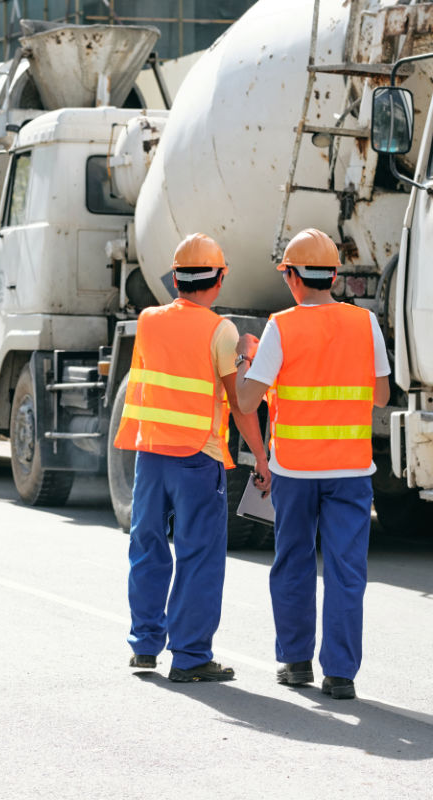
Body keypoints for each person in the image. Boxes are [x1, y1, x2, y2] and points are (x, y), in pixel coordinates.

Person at [235, 228, 390, 700]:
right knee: (347, 570)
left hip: (295, 471)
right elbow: (382, 396)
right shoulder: (365, 324)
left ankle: (296, 663)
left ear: (292, 277)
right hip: (350, 469)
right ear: (334, 275)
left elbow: (245, 400)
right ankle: (340, 675)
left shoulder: (281, 326)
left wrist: (246, 360)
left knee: (294, 562)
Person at [115, 232, 270, 681]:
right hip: (197, 459)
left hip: (150, 454)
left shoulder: (148, 320)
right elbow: (242, 404)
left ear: (175, 277)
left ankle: (144, 647)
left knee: (147, 546)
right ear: (219, 279)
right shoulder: (221, 331)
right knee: (198, 556)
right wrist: (259, 457)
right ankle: (190, 658)